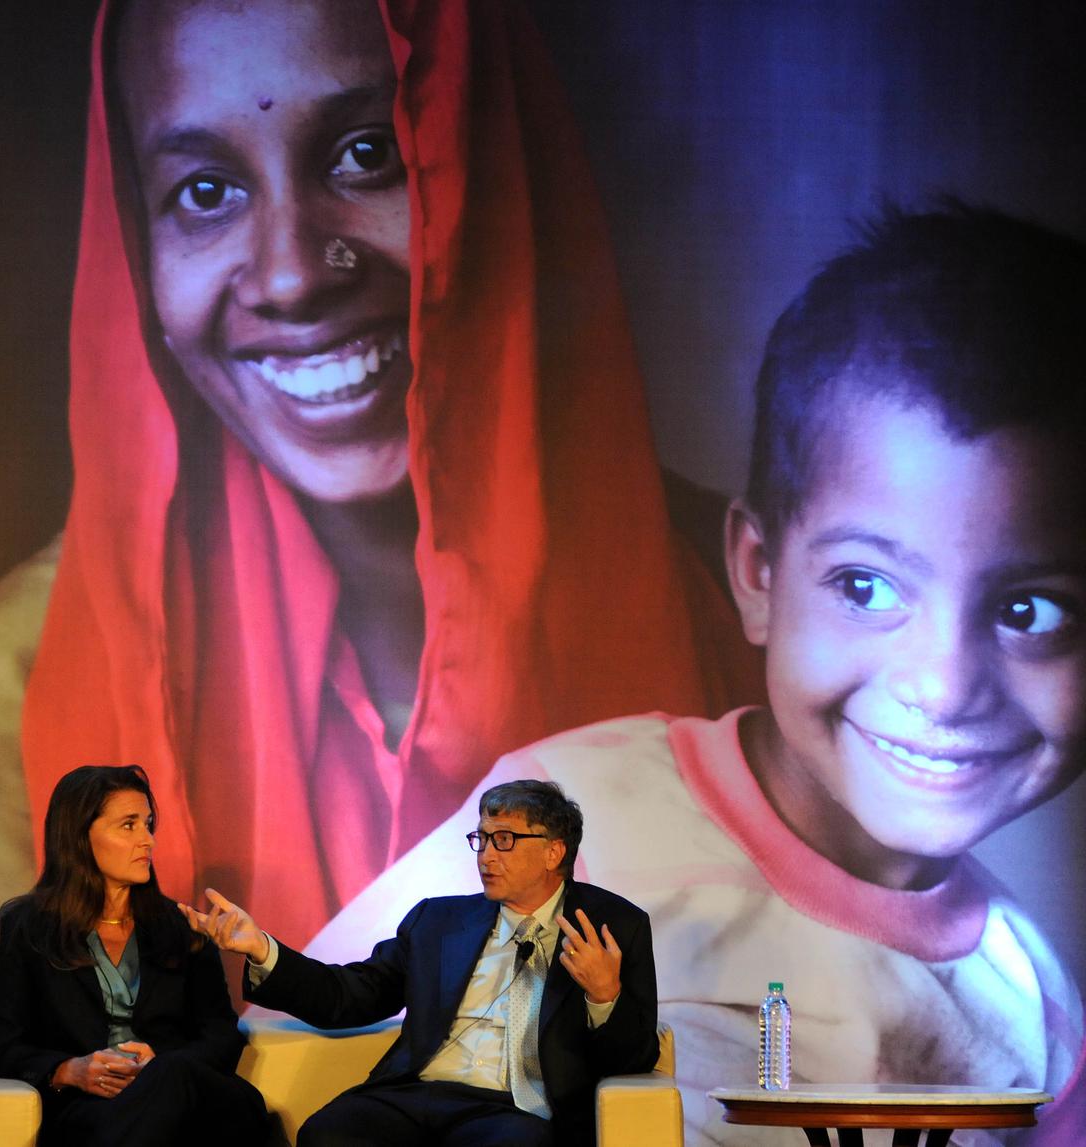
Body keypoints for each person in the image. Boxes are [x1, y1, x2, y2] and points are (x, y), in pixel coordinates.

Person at [0, 1, 762, 1141]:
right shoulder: (12, 682)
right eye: (204, 190)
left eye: (369, 152)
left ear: (500, 168)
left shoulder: (754, 617)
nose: (295, 273)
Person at [302, 205, 1086, 1145]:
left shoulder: (1033, 1010)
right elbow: (301, 1056)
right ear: (757, 573)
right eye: (866, 585)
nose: (948, 684)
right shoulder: (573, 822)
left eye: (1029, 610)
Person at [181, 779, 658, 1146]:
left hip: (515, 1109)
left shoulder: (613, 926)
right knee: (329, 1132)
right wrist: (263, 949)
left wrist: (604, 997)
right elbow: (348, 996)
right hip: (417, 1092)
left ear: (554, 851)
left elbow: (634, 1057)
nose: (486, 856)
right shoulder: (439, 921)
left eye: (505, 840)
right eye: (482, 839)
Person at [0, 764, 268, 1146]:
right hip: (92, 1113)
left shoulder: (179, 926)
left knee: (173, 1079)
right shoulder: (27, 930)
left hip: (198, 1104)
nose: (148, 840)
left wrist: (162, 1064)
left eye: (148, 824)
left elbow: (220, 1035)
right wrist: (72, 1070)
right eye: (129, 825)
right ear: (80, 837)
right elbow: (8, 1046)